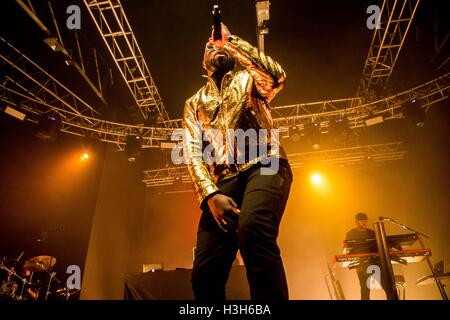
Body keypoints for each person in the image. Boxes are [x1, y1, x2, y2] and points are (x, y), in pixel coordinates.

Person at [183, 24, 292, 300]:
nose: (216, 49)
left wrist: (229, 40)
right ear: (202, 61)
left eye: (220, 46)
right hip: (223, 181)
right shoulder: (194, 103)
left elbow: (276, 75)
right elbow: (193, 151)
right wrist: (210, 195)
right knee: (205, 271)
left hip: (266, 163)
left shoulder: (249, 79)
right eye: (211, 47)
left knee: (253, 229)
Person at [344, 212, 387, 300]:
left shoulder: (372, 233)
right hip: (361, 264)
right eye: (362, 221)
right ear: (356, 222)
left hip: (375, 262)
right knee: (365, 288)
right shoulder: (351, 234)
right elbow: (346, 249)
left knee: (386, 285)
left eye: (365, 221)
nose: (364, 223)